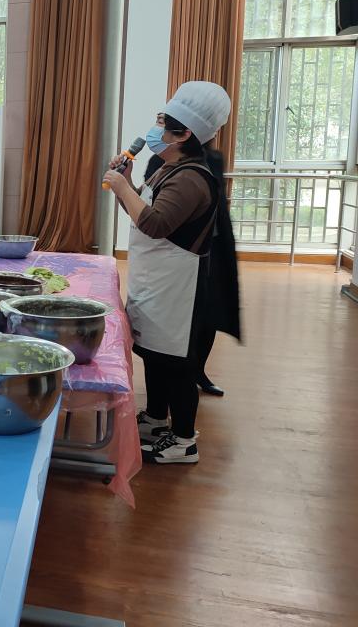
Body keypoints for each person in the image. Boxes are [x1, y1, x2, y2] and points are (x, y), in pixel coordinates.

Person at [103, 81, 230, 465]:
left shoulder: (192, 177)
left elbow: (156, 224)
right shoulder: (168, 169)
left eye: (162, 123)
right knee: (154, 354)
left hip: (177, 287)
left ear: (184, 133)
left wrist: (122, 186)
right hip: (155, 280)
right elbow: (142, 214)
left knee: (177, 364)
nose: (155, 129)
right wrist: (126, 185)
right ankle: (157, 418)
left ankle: (183, 441)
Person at [143, 144, 240, 398]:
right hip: (174, 253)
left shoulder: (210, 161)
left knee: (209, 315)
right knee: (169, 327)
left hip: (210, 248)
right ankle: (163, 396)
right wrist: (124, 186)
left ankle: (199, 371)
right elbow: (148, 209)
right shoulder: (160, 162)